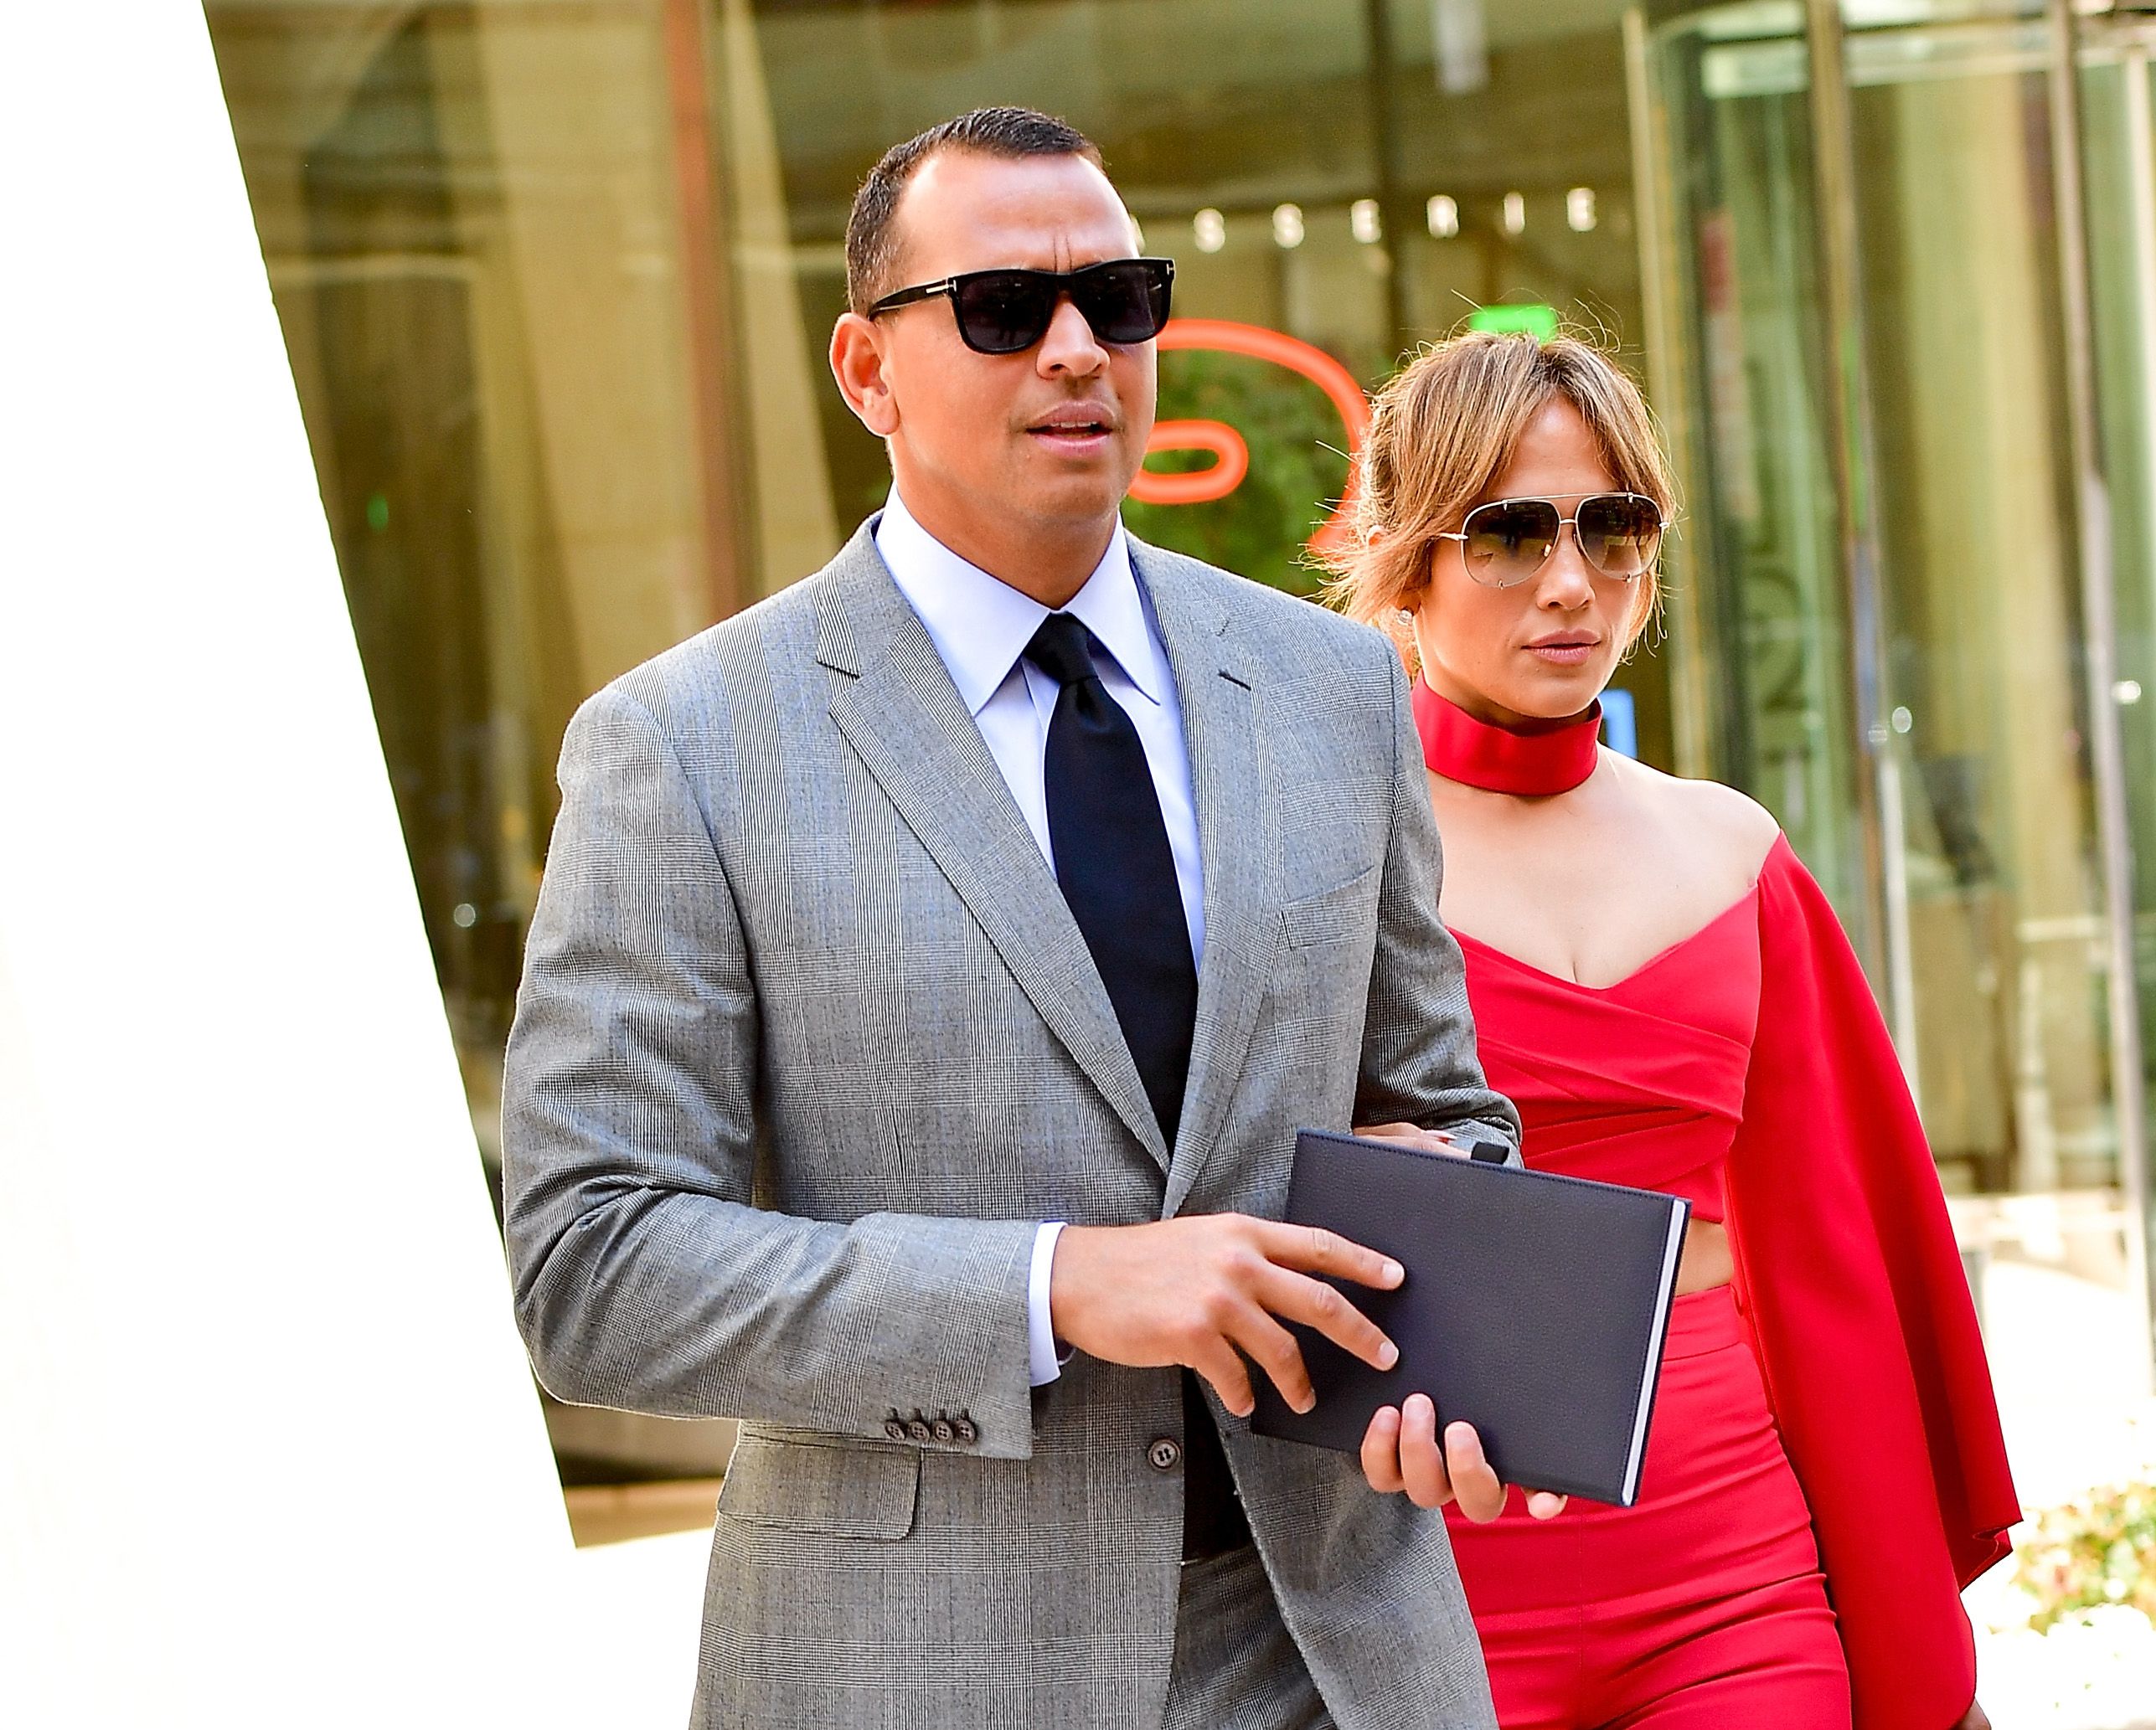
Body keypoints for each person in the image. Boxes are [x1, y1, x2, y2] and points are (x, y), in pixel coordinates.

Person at [499, 108, 1530, 1729]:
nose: (1076, 351)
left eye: (1119, 301)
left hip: (1339, 1657)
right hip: (921, 1671)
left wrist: (1453, 1281)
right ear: (866, 370)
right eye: (1002, 309)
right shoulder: (686, 745)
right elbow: (595, 1266)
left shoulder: (1331, 687)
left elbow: (1445, 1109)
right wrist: (1053, 1286)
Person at [1324, 330, 2019, 1730]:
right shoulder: (1316, 856)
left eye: (1614, 528)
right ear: (1407, 563)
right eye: (1509, 532)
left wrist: (1887, 1577)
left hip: (1730, 1560)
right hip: (1422, 1568)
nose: (1571, 582)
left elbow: (1844, 1247)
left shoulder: (1734, 849)